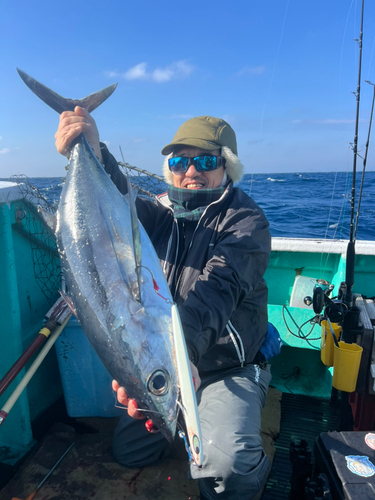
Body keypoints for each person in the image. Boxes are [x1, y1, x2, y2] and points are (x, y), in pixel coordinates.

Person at [55, 108, 272, 500]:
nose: (190, 171)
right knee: (129, 451)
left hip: (226, 367)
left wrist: (173, 359)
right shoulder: (159, 214)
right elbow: (116, 209)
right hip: (171, 365)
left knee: (226, 470)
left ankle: (241, 456)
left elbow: (216, 292)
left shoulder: (247, 223)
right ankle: (189, 423)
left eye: (205, 161)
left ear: (228, 167)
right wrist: (92, 150)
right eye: (179, 161)